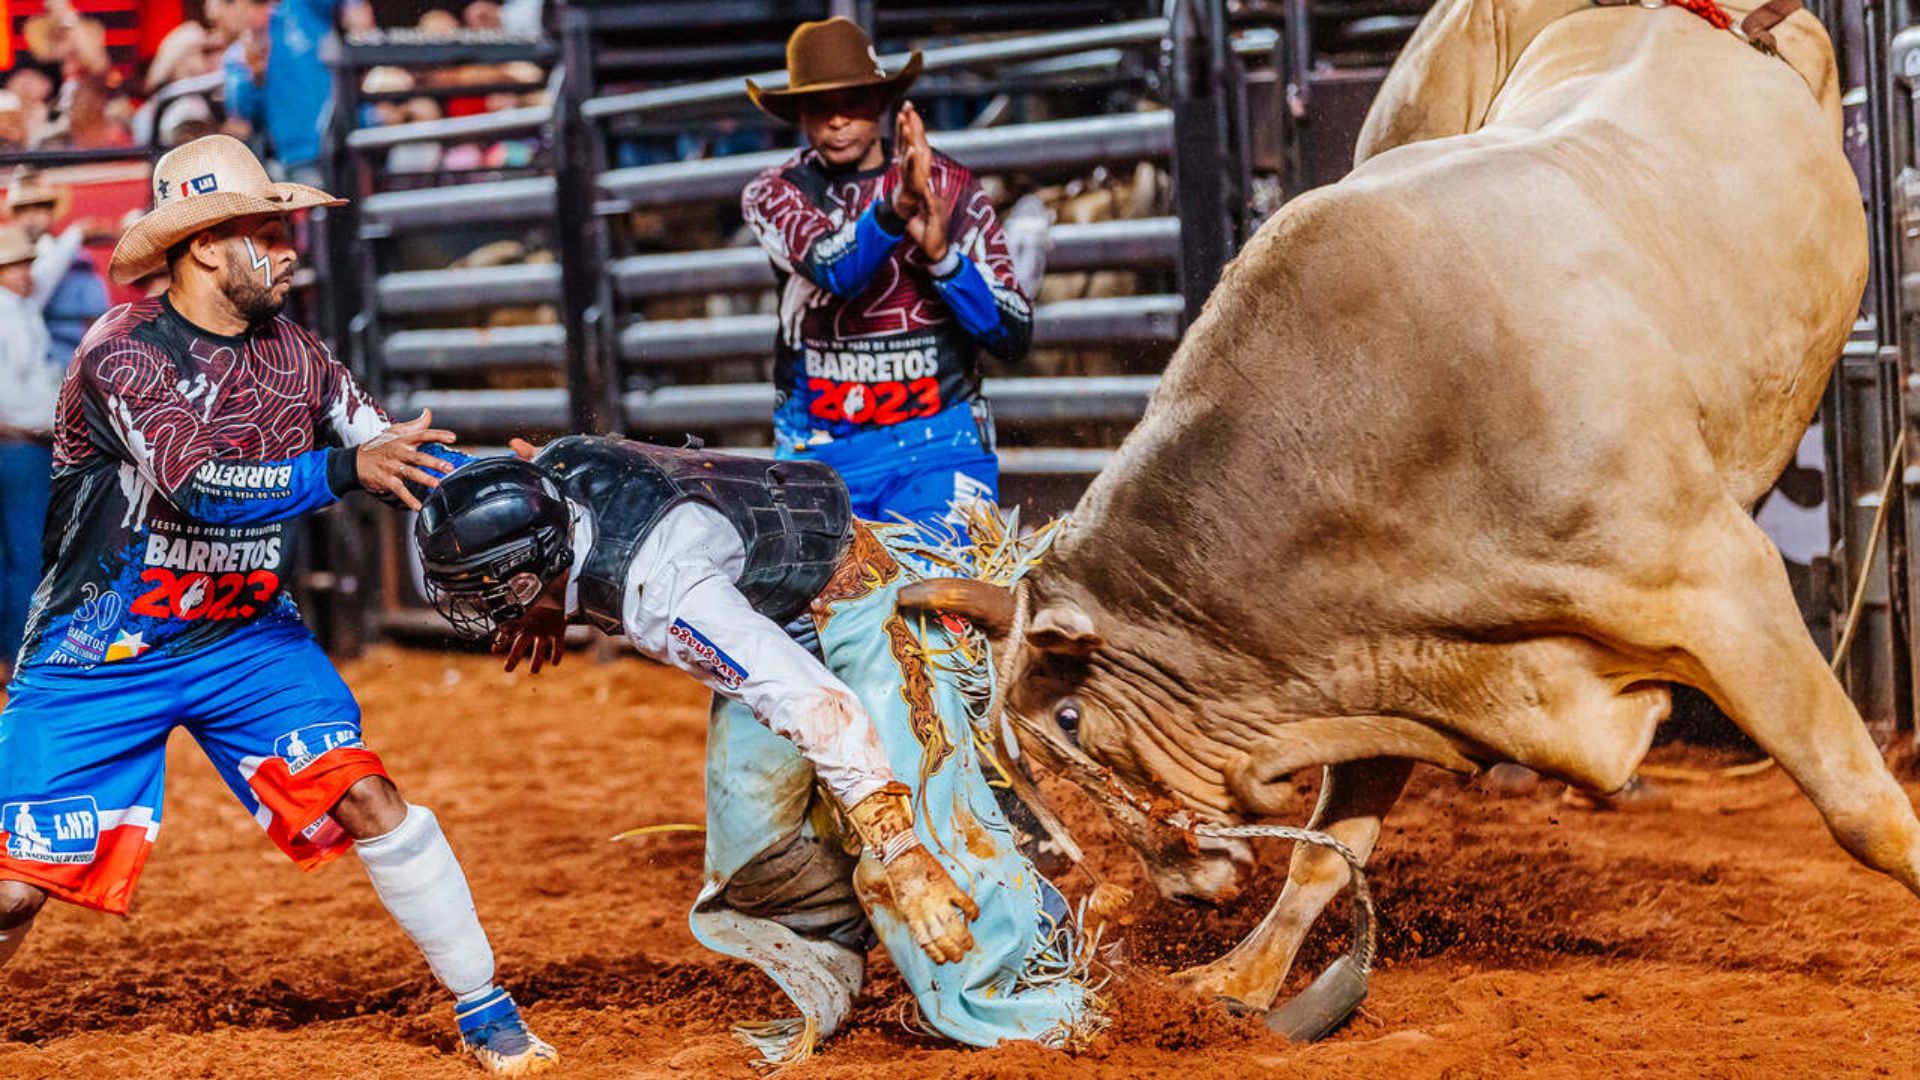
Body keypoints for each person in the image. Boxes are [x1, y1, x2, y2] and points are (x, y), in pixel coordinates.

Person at [0, 135, 556, 1077]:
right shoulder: (122, 353)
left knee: (371, 794)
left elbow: (396, 451)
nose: (289, 245)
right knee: (15, 892)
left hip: (247, 641)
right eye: (268, 228)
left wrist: (514, 497)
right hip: (99, 650)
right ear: (207, 245)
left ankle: (486, 1008)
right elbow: (196, 485)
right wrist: (346, 467)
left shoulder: (298, 353)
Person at [414, 437, 1092, 1064]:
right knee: (755, 855)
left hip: (862, 612)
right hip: (775, 613)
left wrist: (900, 852)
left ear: (529, 577)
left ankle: (1041, 1006)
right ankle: (837, 962)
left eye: (482, 586)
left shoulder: (666, 593)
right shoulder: (554, 472)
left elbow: (817, 707)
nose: (470, 600)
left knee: (922, 855)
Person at [742, 17, 1033, 531]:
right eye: (819, 105)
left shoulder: (952, 185)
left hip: (940, 445)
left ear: (879, 102)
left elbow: (1012, 332)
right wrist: (896, 210)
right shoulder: (776, 192)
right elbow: (837, 268)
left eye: (852, 100)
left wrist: (945, 259)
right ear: (800, 115)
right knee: (816, 609)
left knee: (937, 596)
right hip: (818, 453)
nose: (837, 120)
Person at [0, 224, 65, 683]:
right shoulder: (10, 316)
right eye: (14, 265)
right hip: (21, 445)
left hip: (21, 444)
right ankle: (23, 656)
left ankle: (13, 655)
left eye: (26, 262)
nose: (26, 272)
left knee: (18, 554)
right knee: (28, 552)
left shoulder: (19, 310)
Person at [224, 0, 375, 183]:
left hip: (345, 138)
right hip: (297, 156)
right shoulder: (237, 56)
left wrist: (357, 10)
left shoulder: (299, 10)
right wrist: (254, 73)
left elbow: (350, 8)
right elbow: (244, 113)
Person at [6, 173, 109, 371]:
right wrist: (75, 235)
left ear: (51, 213)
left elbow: (99, 320)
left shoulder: (78, 262)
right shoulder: (8, 265)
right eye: (22, 211)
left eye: (39, 208)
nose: (30, 218)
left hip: (71, 364)